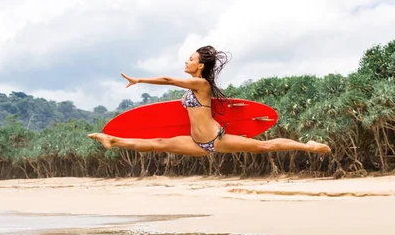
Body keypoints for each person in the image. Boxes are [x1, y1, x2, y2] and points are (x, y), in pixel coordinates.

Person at [88, 46, 331, 156]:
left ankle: (309, 146)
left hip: (215, 139)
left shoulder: (201, 84)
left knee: (264, 147)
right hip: (196, 142)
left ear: (200, 65)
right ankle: (112, 140)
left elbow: (167, 79)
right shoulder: (194, 88)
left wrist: (139, 79)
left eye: (190, 58)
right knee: (158, 142)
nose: (186, 61)